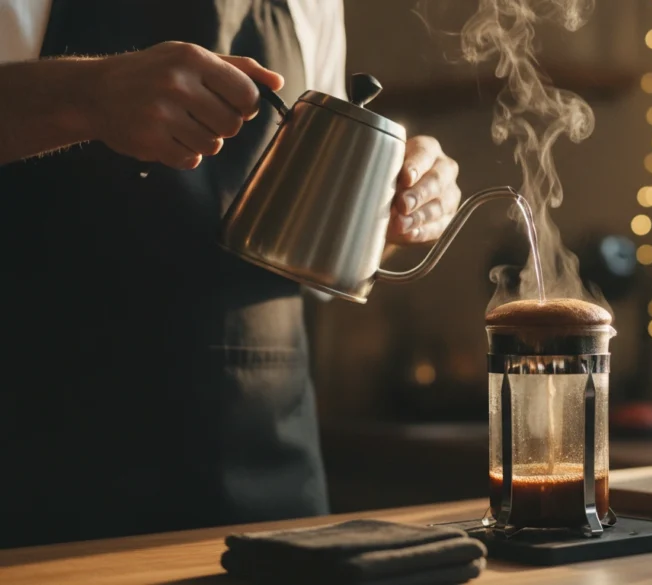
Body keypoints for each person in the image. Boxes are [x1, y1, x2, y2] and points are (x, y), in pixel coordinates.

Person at [0, 0, 462, 549]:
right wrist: (87, 93)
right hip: (43, 475)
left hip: (270, 481)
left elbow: (316, 231)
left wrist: (388, 204)